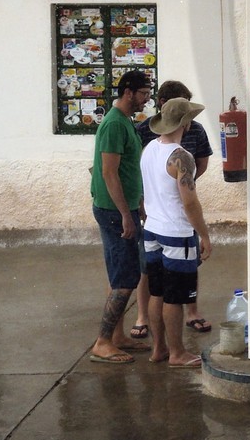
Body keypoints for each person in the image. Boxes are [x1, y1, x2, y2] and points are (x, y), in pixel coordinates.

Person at [130, 80, 215, 336]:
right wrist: (205, 235)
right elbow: (189, 203)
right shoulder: (182, 157)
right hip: (176, 231)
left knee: (157, 292)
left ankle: (159, 349)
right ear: (185, 123)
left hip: (152, 229)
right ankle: (177, 352)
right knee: (175, 298)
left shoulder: (148, 149)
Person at [88, 69, 153, 364]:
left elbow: (129, 170)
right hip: (114, 212)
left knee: (126, 273)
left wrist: (137, 202)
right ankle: (103, 342)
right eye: (143, 94)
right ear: (128, 92)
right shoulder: (114, 125)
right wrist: (126, 214)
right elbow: (108, 172)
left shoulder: (125, 122)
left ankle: (117, 337)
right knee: (124, 279)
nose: (147, 99)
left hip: (123, 208)